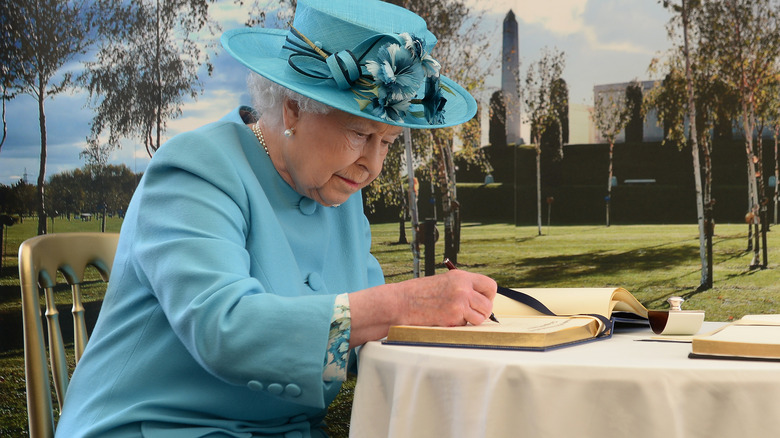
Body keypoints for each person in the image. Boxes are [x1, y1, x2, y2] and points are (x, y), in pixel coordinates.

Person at [55, 0, 496, 436]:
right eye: (360, 134)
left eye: (388, 141)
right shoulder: (194, 170)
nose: (373, 166)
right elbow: (225, 329)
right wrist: (403, 304)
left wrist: (453, 320)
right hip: (156, 428)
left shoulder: (339, 191)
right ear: (293, 109)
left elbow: (364, 337)